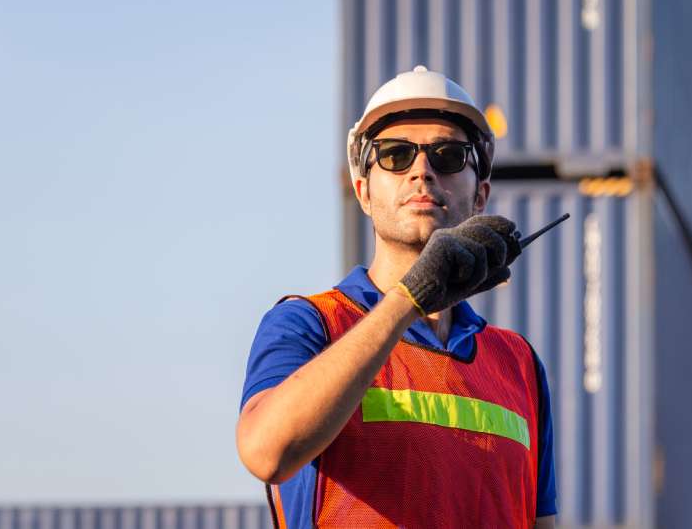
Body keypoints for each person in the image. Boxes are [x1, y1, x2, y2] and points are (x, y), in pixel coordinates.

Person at [236, 66, 557, 528]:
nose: (421, 171)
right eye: (395, 155)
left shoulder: (519, 365)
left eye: (448, 155)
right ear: (363, 190)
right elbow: (267, 452)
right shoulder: (311, 324)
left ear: (481, 195)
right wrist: (411, 297)